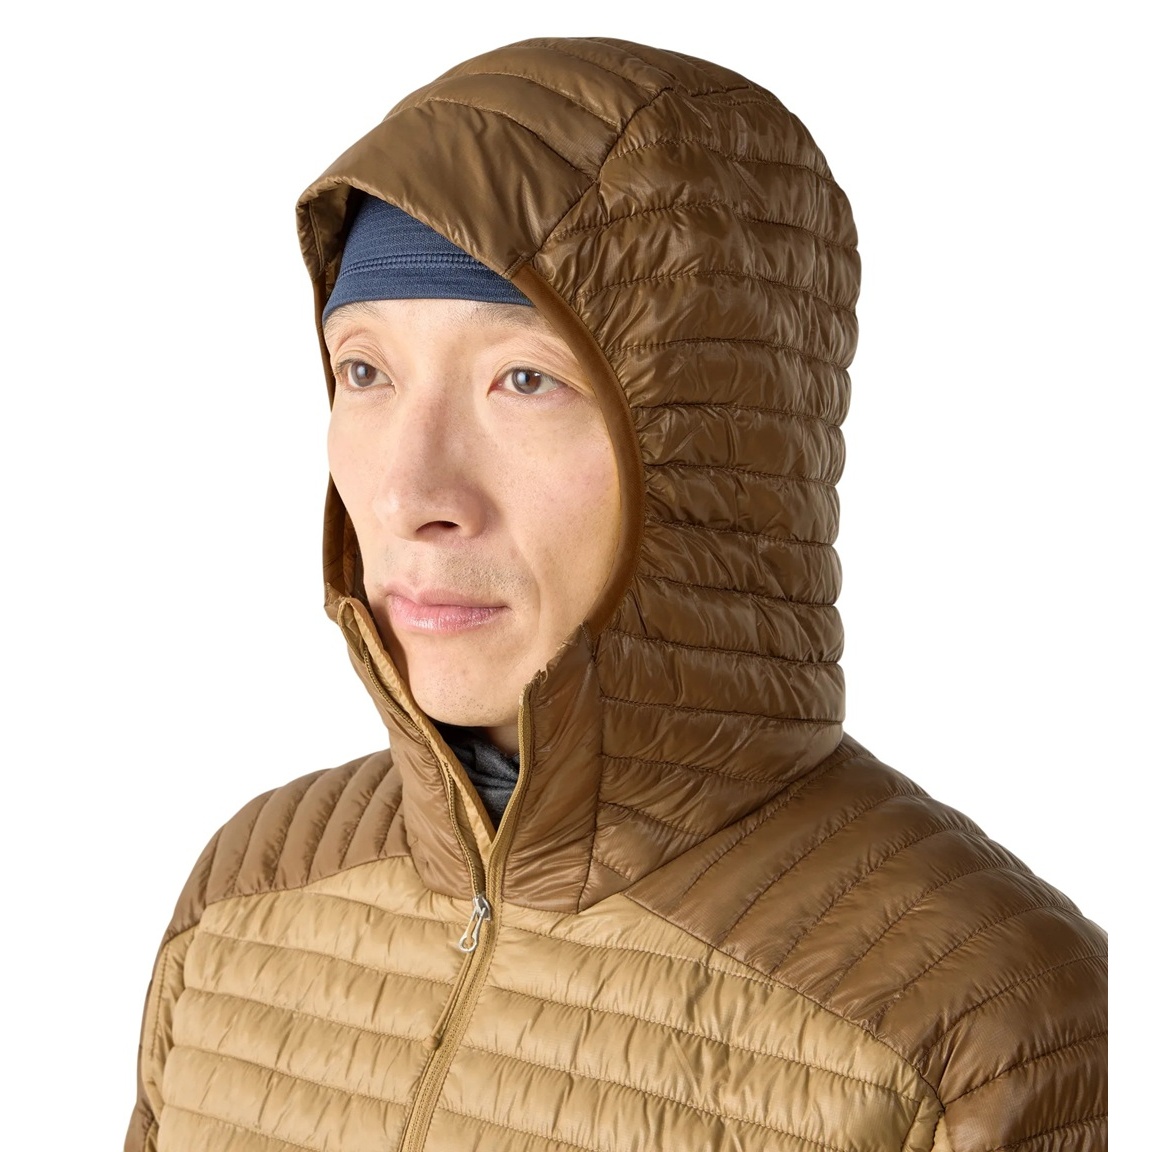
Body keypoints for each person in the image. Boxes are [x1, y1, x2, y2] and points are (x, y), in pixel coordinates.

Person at [125, 37, 1107, 1152]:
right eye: (365, 371)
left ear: (713, 448)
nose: (408, 494)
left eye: (525, 379)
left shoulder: (982, 1026)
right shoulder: (245, 895)